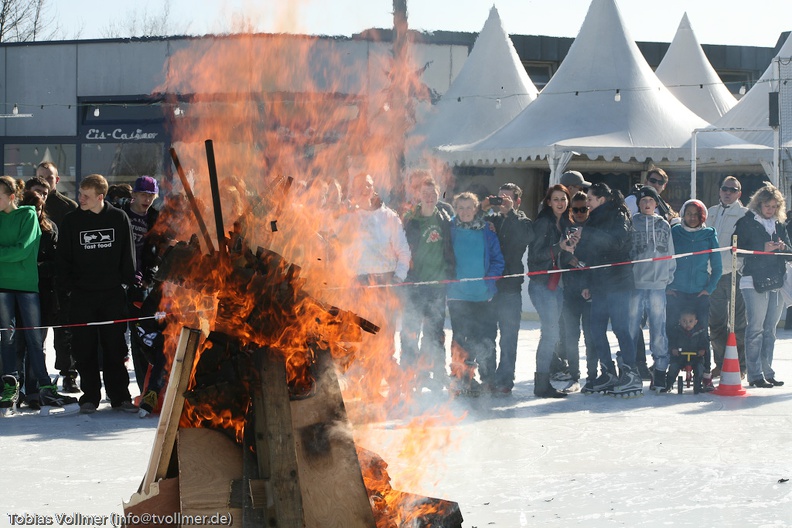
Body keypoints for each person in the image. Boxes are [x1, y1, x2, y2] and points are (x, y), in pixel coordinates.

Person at [56, 174, 138, 414]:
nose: (80, 198)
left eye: (86, 195)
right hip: (82, 296)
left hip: (112, 294)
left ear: (100, 197)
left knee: (115, 348)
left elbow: (128, 255)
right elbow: (63, 260)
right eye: (80, 193)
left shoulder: (118, 217)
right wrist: (68, 290)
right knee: (84, 348)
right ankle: (90, 396)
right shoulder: (71, 221)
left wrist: (126, 284)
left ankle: (120, 396)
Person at [0, 176, 78, 413]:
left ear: (12, 196)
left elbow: (23, 251)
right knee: (7, 337)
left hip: (27, 286)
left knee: (35, 339)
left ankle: (44, 386)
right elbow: (14, 253)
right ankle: (10, 386)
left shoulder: (28, 214)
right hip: (2, 286)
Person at [335, 173, 411, 399]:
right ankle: (366, 387)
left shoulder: (389, 217)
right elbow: (340, 251)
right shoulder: (347, 218)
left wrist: (398, 277)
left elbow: (403, 251)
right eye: (360, 186)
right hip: (358, 284)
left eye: (368, 184)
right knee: (363, 339)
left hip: (384, 283)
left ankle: (386, 388)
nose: (364, 189)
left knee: (384, 340)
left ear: (374, 187)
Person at [572, 182, 639, 396]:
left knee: (620, 327)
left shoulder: (619, 215)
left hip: (619, 282)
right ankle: (608, 371)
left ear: (601, 199)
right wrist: (586, 282)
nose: (587, 204)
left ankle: (631, 372)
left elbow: (616, 243)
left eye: (590, 199)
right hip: (599, 284)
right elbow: (587, 253)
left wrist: (588, 235)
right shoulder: (593, 219)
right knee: (595, 329)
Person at [400, 176, 454, 392]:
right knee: (410, 332)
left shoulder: (445, 219)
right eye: (425, 194)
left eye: (433, 194)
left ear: (438, 195)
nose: (430, 198)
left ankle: (432, 373)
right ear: (418, 197)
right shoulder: (411, 221)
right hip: (415, 286)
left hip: (437, 287)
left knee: (434, 333)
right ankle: (408, 375)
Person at [447, 192, 504, 395]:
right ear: (456, 209)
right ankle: (461, 380)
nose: (465, 212)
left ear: (476, 208)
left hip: (483, 296)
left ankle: (488, 379)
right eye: (460, 208)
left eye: (469, 207)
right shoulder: (450, 230)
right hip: (458, 296)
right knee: (462, 340)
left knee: (486, 338)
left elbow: (498, 261)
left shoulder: (487, 231)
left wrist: (489, 282)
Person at [734, 184, 790, 388]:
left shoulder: (779, 224)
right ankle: (755, 374)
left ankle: (768, 371)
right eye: (767, 206)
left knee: (770, 330)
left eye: (775, 206)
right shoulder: (746, 222)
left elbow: (790, 250)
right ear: (759, 204)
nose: (771, 210)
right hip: (752, 280)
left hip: (777, 280)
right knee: (755, 328)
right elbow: (736, 250)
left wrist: (783, 247)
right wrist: (761, 248)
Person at [482, 183, 534, 395]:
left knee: (508, 337)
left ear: (517, 201)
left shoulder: (522, 221)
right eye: (499, 197)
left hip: (510, 288)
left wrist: (509, 213)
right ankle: (487, 378)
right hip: (489, 287)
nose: (501, 201)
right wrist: (483, 208)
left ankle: (505, 379)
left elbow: (525, 238)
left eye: (507, 198)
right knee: (487, 336)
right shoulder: (490, 220)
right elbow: (469, 223)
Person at [667, 199, 721, 392]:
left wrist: (710, 288)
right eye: (688, 213)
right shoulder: (675, 233)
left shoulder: (709, 234)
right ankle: (671, 368)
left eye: (696, 214)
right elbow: (665, 258)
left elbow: (717, 266)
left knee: (702, 335)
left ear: (702, 216)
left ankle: (705, 374)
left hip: (699, 294)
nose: (692, 217)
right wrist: (667, 285)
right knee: (672, 330)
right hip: (676, 292)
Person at [36, 162, 80, 393]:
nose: (45, 181)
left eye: (49, 178)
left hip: (62, 279)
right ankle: (36, 376)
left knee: (65, 332)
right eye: (41, 177)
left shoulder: (68, 207)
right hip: (37, 280)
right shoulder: (27, 206)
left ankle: (69, 374)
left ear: (57, 180)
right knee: (36, 332)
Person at [527, 184, 572, 398]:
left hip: (557, 284)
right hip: (542, 285)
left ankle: (544, 381)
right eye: (556, 199)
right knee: (550, 333)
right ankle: (541, 383)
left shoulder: (562, 222)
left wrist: (572, 254)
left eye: (563, 199)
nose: (560, 203)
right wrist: (559, 247)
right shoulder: (543, 223)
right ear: (548, 202)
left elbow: (560, 253)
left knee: (552, 333)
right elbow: (535, 256)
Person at [629, 186, 675, 392]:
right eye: (643, 200)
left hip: (658, 285)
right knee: (631, 328)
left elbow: (671, 254)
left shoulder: (664, 225)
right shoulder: (631, 224)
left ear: (656, 203)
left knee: (658, 328)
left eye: (651, 200)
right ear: (638, 204)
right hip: (636, 284)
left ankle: (660, 370)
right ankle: (630, 368)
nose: (647, 203)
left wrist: (667, 277)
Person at [122, 176, 161, 394]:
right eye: (143, 194)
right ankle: (118, 391)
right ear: (134, 195)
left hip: (142, 284)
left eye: (151, 195)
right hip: (120, 282)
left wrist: (150, 275)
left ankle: (144, 390)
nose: (147, 199)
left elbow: (156, 251)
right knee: (117, 337)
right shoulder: (120, 214)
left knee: (141, 337)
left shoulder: (155, 218)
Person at [707, 176, 748, 378]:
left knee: (739, 323)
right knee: (716, 323)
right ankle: (721, 362)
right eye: (725, 188)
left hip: (735, 274)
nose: (728, 192)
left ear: (739, 193)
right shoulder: (710, 212)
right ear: (720, 190)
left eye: (733, 189)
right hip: (713, 275)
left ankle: (741, 365)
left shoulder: (745, 215)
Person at [554, 191, 594, 389]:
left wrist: (589, 284)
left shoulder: (594, 229)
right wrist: (566, 257)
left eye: (583, 209)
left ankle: (593, 376)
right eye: (575, 209)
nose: (579, 213)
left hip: (589, 291)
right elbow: (558, 257)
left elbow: (599, 259)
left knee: (590, 335)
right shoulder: (566, 229)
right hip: (569, 291)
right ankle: (574, 376)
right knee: (571, 336)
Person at [666, 310, 708, 394]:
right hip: (680, 357)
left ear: (695, 322)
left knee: (699, 368)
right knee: (674, 367)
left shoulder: (699, 332)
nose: (687, 324)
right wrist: (673, 349)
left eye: (690, 321)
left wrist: (702, 349)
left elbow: (704, 342)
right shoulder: (677, 331)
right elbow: (672, 341)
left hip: (695, 357)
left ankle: (698, 383)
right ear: (679, 321)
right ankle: (668, 383)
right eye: (684, 321)